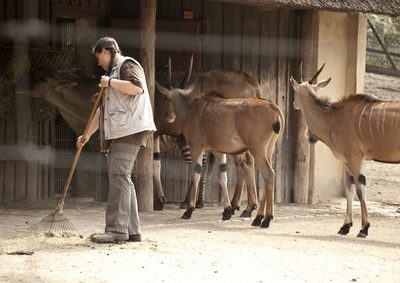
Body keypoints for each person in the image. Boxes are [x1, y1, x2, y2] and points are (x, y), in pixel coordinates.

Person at [77, 37, 156, 243]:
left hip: (129, 130)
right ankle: (132, 231)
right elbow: (101, 111)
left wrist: (110, 82)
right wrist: (87, 135)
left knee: (119, 176)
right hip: (120, 132)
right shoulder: (110, 75)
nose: (98, 62)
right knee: (122, 178)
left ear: (106, 51)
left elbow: (137, 87)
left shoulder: (127, 65)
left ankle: (116, 230)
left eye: (98, 57)